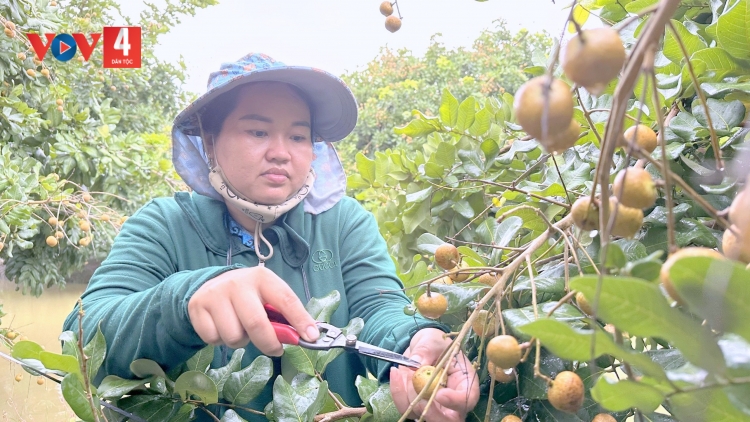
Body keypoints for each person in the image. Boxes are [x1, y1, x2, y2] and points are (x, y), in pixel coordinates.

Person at [63, 53, 479, 421]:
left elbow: (379, 305)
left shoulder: (344, 222)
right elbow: (84, 339)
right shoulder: (163, 225)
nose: (282, 151)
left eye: (299, 136)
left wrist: (416, 339)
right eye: (258, 132)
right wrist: (186, 300)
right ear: (210, 140)